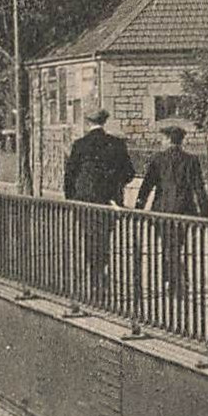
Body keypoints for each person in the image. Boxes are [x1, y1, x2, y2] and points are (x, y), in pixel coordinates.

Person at [62, 108, 135, 288]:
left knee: (89, 236)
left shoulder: (80, 144)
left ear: (88, 122)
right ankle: (101, 272)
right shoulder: (116, 144)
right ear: (104, 122)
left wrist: (71, 197)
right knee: (103, 237)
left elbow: (70, 174)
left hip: (84, 199)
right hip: (109, 200)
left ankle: (94, 274)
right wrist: (116, 185)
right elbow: (129, 173)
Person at [136, 125, 208, 293]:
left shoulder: (157, 159)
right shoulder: (191, 160)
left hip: (162, 210)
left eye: (163, 138)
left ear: (168, 139)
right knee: (176, 246)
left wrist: (139, 206)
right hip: (184, 210)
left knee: (168, 245)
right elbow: (199, 188)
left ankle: (173, 280)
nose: (162, 141)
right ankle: (174, 279)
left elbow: (147, 185)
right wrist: (204, 214)